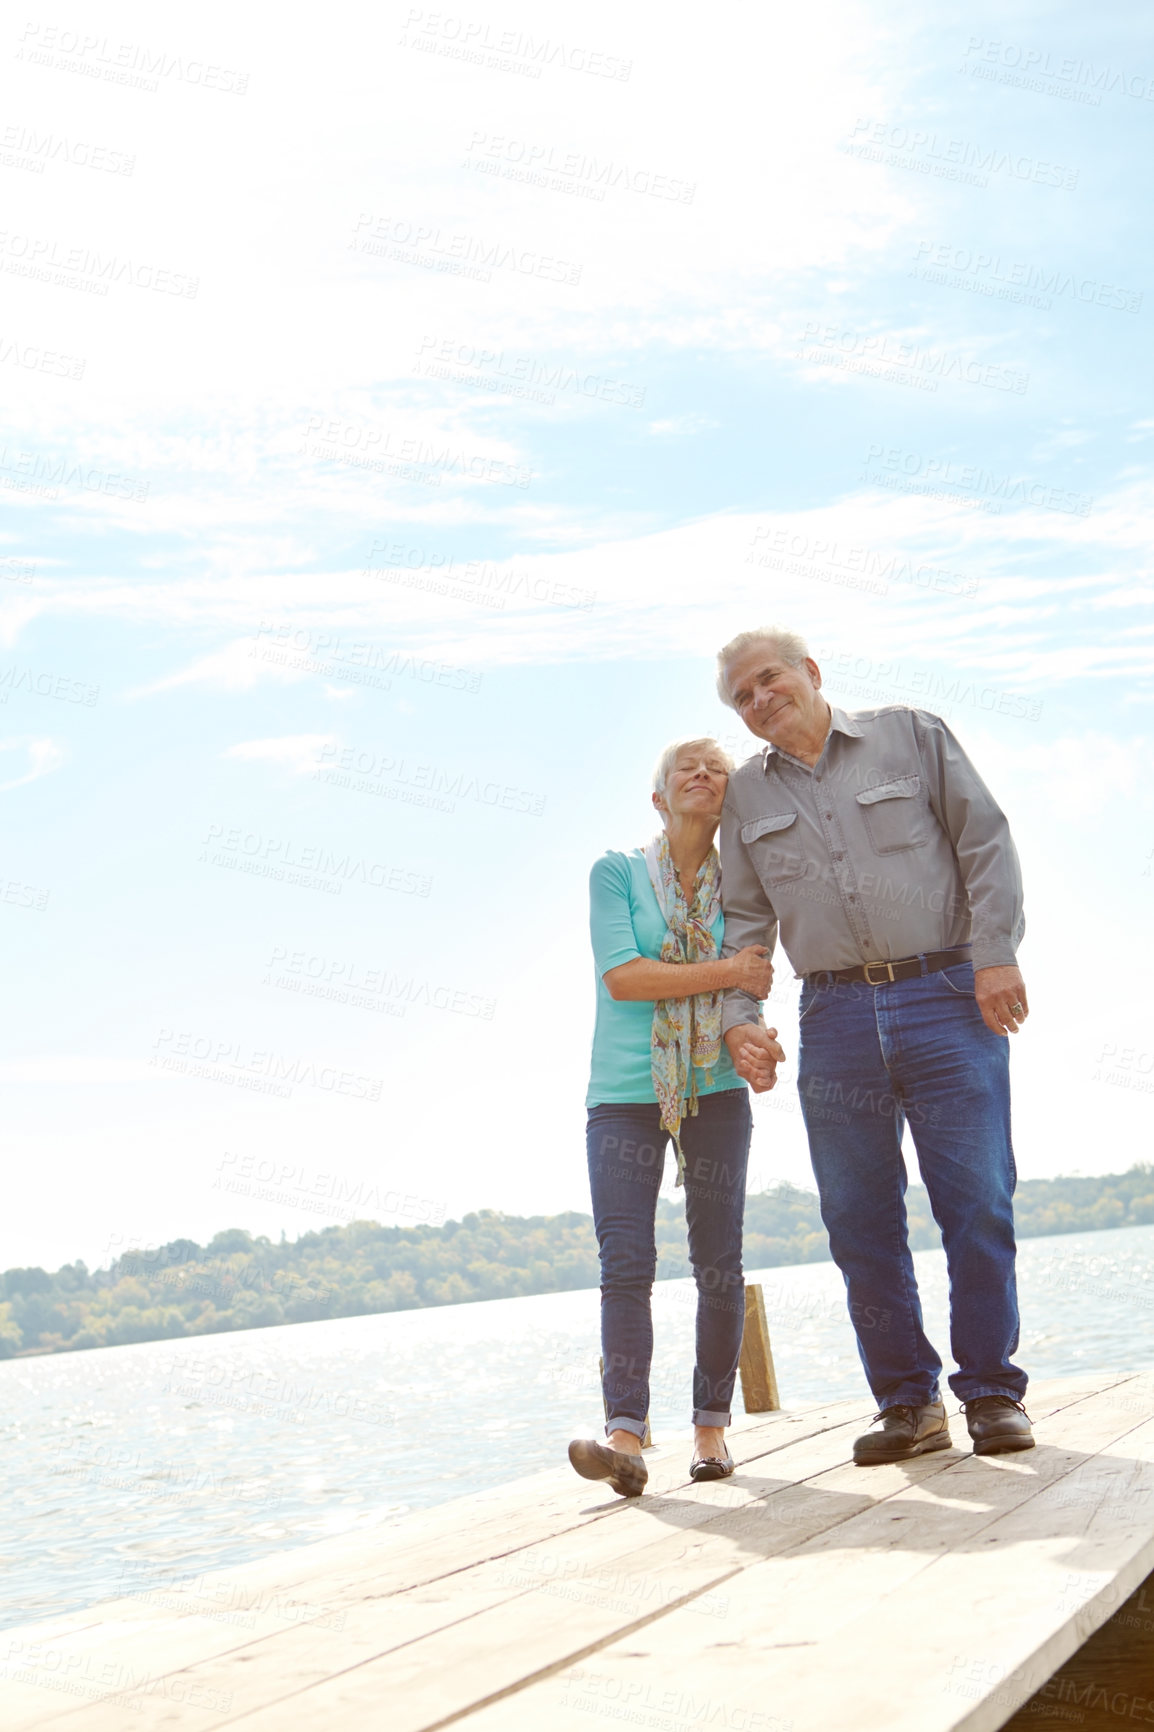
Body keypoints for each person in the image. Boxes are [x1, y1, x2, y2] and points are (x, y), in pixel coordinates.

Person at [714, 627, 1034, 1465]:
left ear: (812, 673)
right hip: (834, 1016)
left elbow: (984, 841)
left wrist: (994, 953)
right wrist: (740, 1015)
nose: (758, 700)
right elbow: (745, 921)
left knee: (978, 1200)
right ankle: (909, 1406)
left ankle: (993, 1392)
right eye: (740, 697)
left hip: (947, 994)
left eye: (768, 679)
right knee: (858, 1220)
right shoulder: (746, 798)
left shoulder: (911, 735)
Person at [568, 738, 778, 1497]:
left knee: (717, 1260)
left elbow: (750, 991)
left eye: (716, 767)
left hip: (715, 1086)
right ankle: (624, 1437)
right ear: (659, 797)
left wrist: (751, 1034)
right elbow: (626, 977)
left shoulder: (747, 889)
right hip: (623, 1092)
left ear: (730, 797)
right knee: (625, 1262)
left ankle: (711, 1430)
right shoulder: (617, 873)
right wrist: (728, 970)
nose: (701, 774)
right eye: (685, 767)